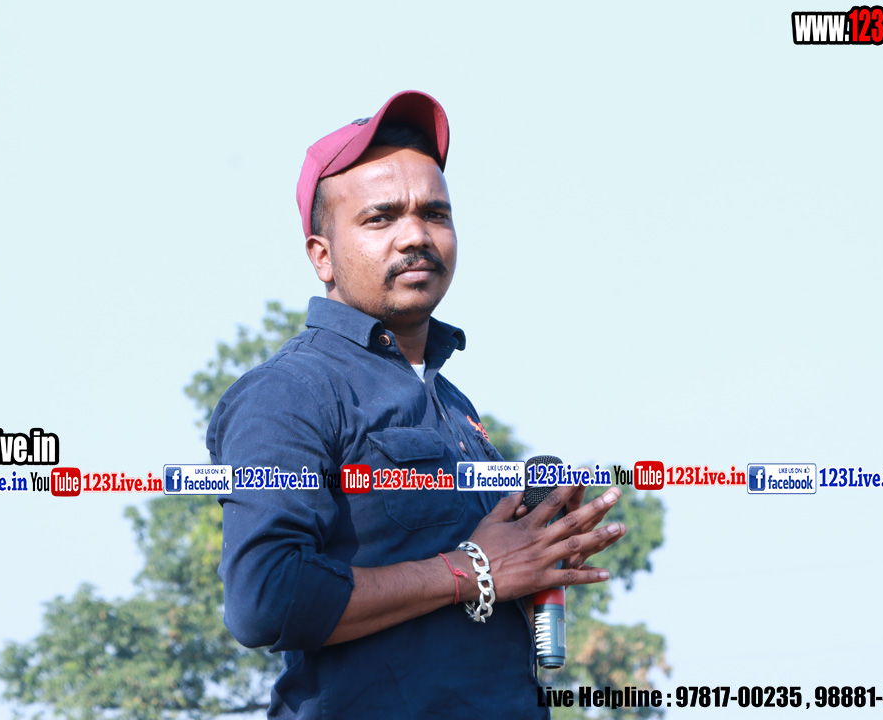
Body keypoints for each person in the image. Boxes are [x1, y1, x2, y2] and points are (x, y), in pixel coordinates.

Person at [207, 90, 627, 719]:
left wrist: (535, 553)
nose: (415, 236)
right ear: (321, 255)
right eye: (380, 218)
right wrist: (470, 570)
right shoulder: (290, 392)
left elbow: (467, 598)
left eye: (435, 213)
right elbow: (265, 600)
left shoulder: (453, 405)